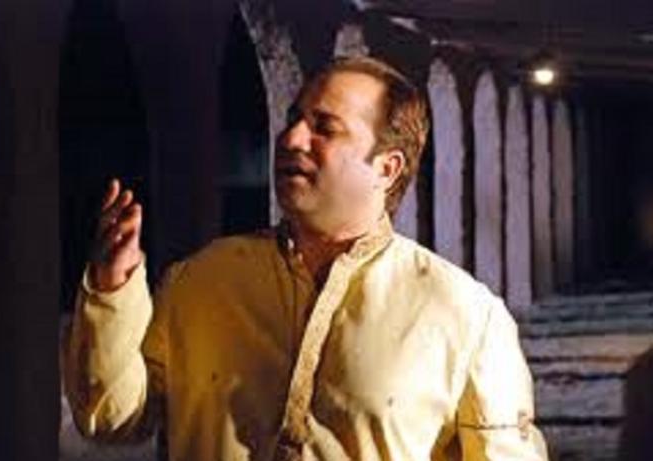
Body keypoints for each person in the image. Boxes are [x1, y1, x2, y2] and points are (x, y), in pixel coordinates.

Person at [64, 56, 548, 461]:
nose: (292, 138)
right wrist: (111, 287)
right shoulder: (201, 279)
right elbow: (112, 419)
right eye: (294, 119)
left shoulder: (466, 315)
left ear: (387, 168)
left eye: (324, 128)